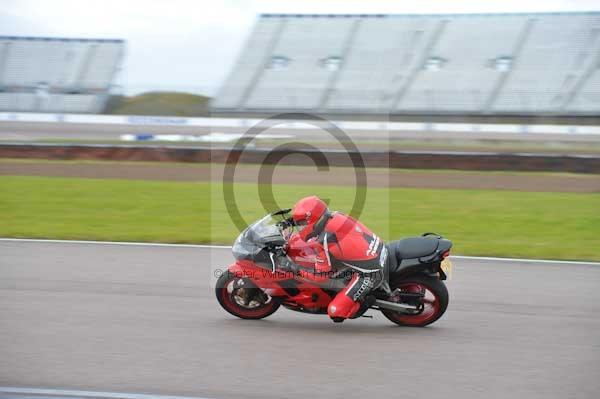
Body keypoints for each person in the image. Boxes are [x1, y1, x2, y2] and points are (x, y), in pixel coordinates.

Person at [277, 196, 388, 322]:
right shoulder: (335, 216)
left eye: (301, 224)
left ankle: (366, 301)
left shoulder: (324, 240)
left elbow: (320, 276)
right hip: (377, 250)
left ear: (312, 221)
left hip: (371, 273)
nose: (300, 227)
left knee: (335, 311)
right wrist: (291, 221)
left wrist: (293, 268)